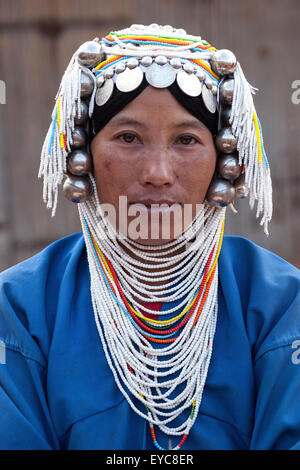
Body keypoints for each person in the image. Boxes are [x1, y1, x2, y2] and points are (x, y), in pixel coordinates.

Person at [0, 23, 299, 451]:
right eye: (128, 138)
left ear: (222, 162)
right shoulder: (20, 311)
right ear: (83, 156)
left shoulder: (279, 305)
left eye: (186, 140)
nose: (158, 173)